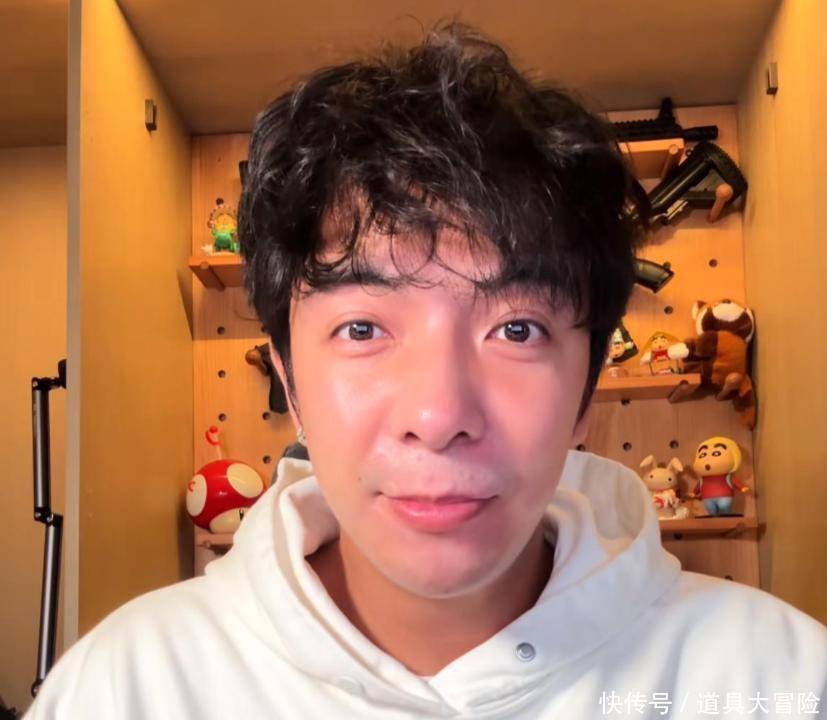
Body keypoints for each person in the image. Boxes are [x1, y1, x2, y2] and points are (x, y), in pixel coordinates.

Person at [26, 23, 826, 720]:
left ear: (586, 388)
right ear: (289, 382)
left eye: (516, 328)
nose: (439, 416)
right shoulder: (129, 687)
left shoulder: (774, 677)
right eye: (362, 328)